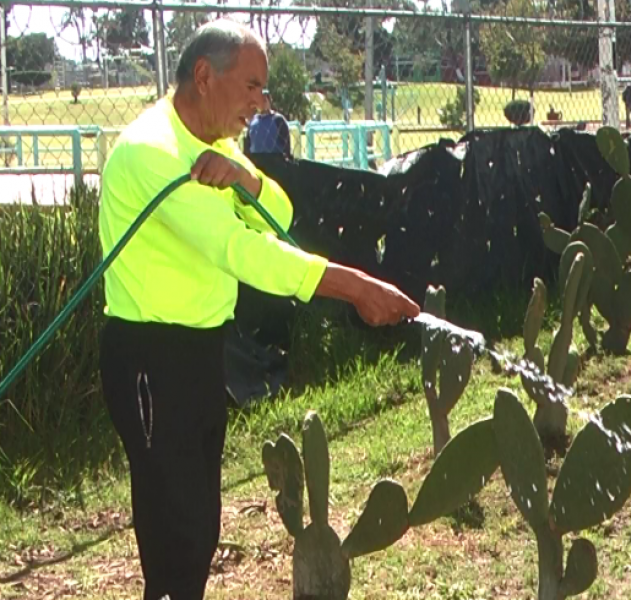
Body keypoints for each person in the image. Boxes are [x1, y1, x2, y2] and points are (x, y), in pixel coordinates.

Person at [97, 19, 419, 600]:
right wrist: (353, 286)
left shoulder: (216, 145)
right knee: (176, 531)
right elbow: (240, 250)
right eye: (251, 86)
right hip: (148, 358)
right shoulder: (153, 152)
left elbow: (280, 215)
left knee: (199, 525)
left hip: (198, 352)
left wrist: (247, 176)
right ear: (204, 76)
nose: (260, 102)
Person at [246, 89, 291, 156]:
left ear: (269, 101)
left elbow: (287, 146)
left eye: (264, 100)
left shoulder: (278, 120)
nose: (262, 104)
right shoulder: (252, 121)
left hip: (274, 162)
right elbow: (248, 145)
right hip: (255, 162)